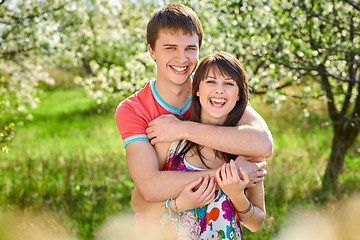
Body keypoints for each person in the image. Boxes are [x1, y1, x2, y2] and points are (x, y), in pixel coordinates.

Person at [114, 2, 272, 238]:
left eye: (190, 48)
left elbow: (263, 144)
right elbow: (148, 188)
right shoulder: (133, 109)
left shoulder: (212, 94)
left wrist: (182, 129)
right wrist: (231, 175)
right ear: (151, 51)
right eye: (170, 47)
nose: (182, 58)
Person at [131, 52, 266, 239]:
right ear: (196, 89)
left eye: (229, 83)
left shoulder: (246, 153)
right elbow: (137, 202)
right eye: (211, 81)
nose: (219, 90)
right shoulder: (170, 142)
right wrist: (179, 205)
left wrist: (237, 196)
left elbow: (257, 223)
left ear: (238, 96)